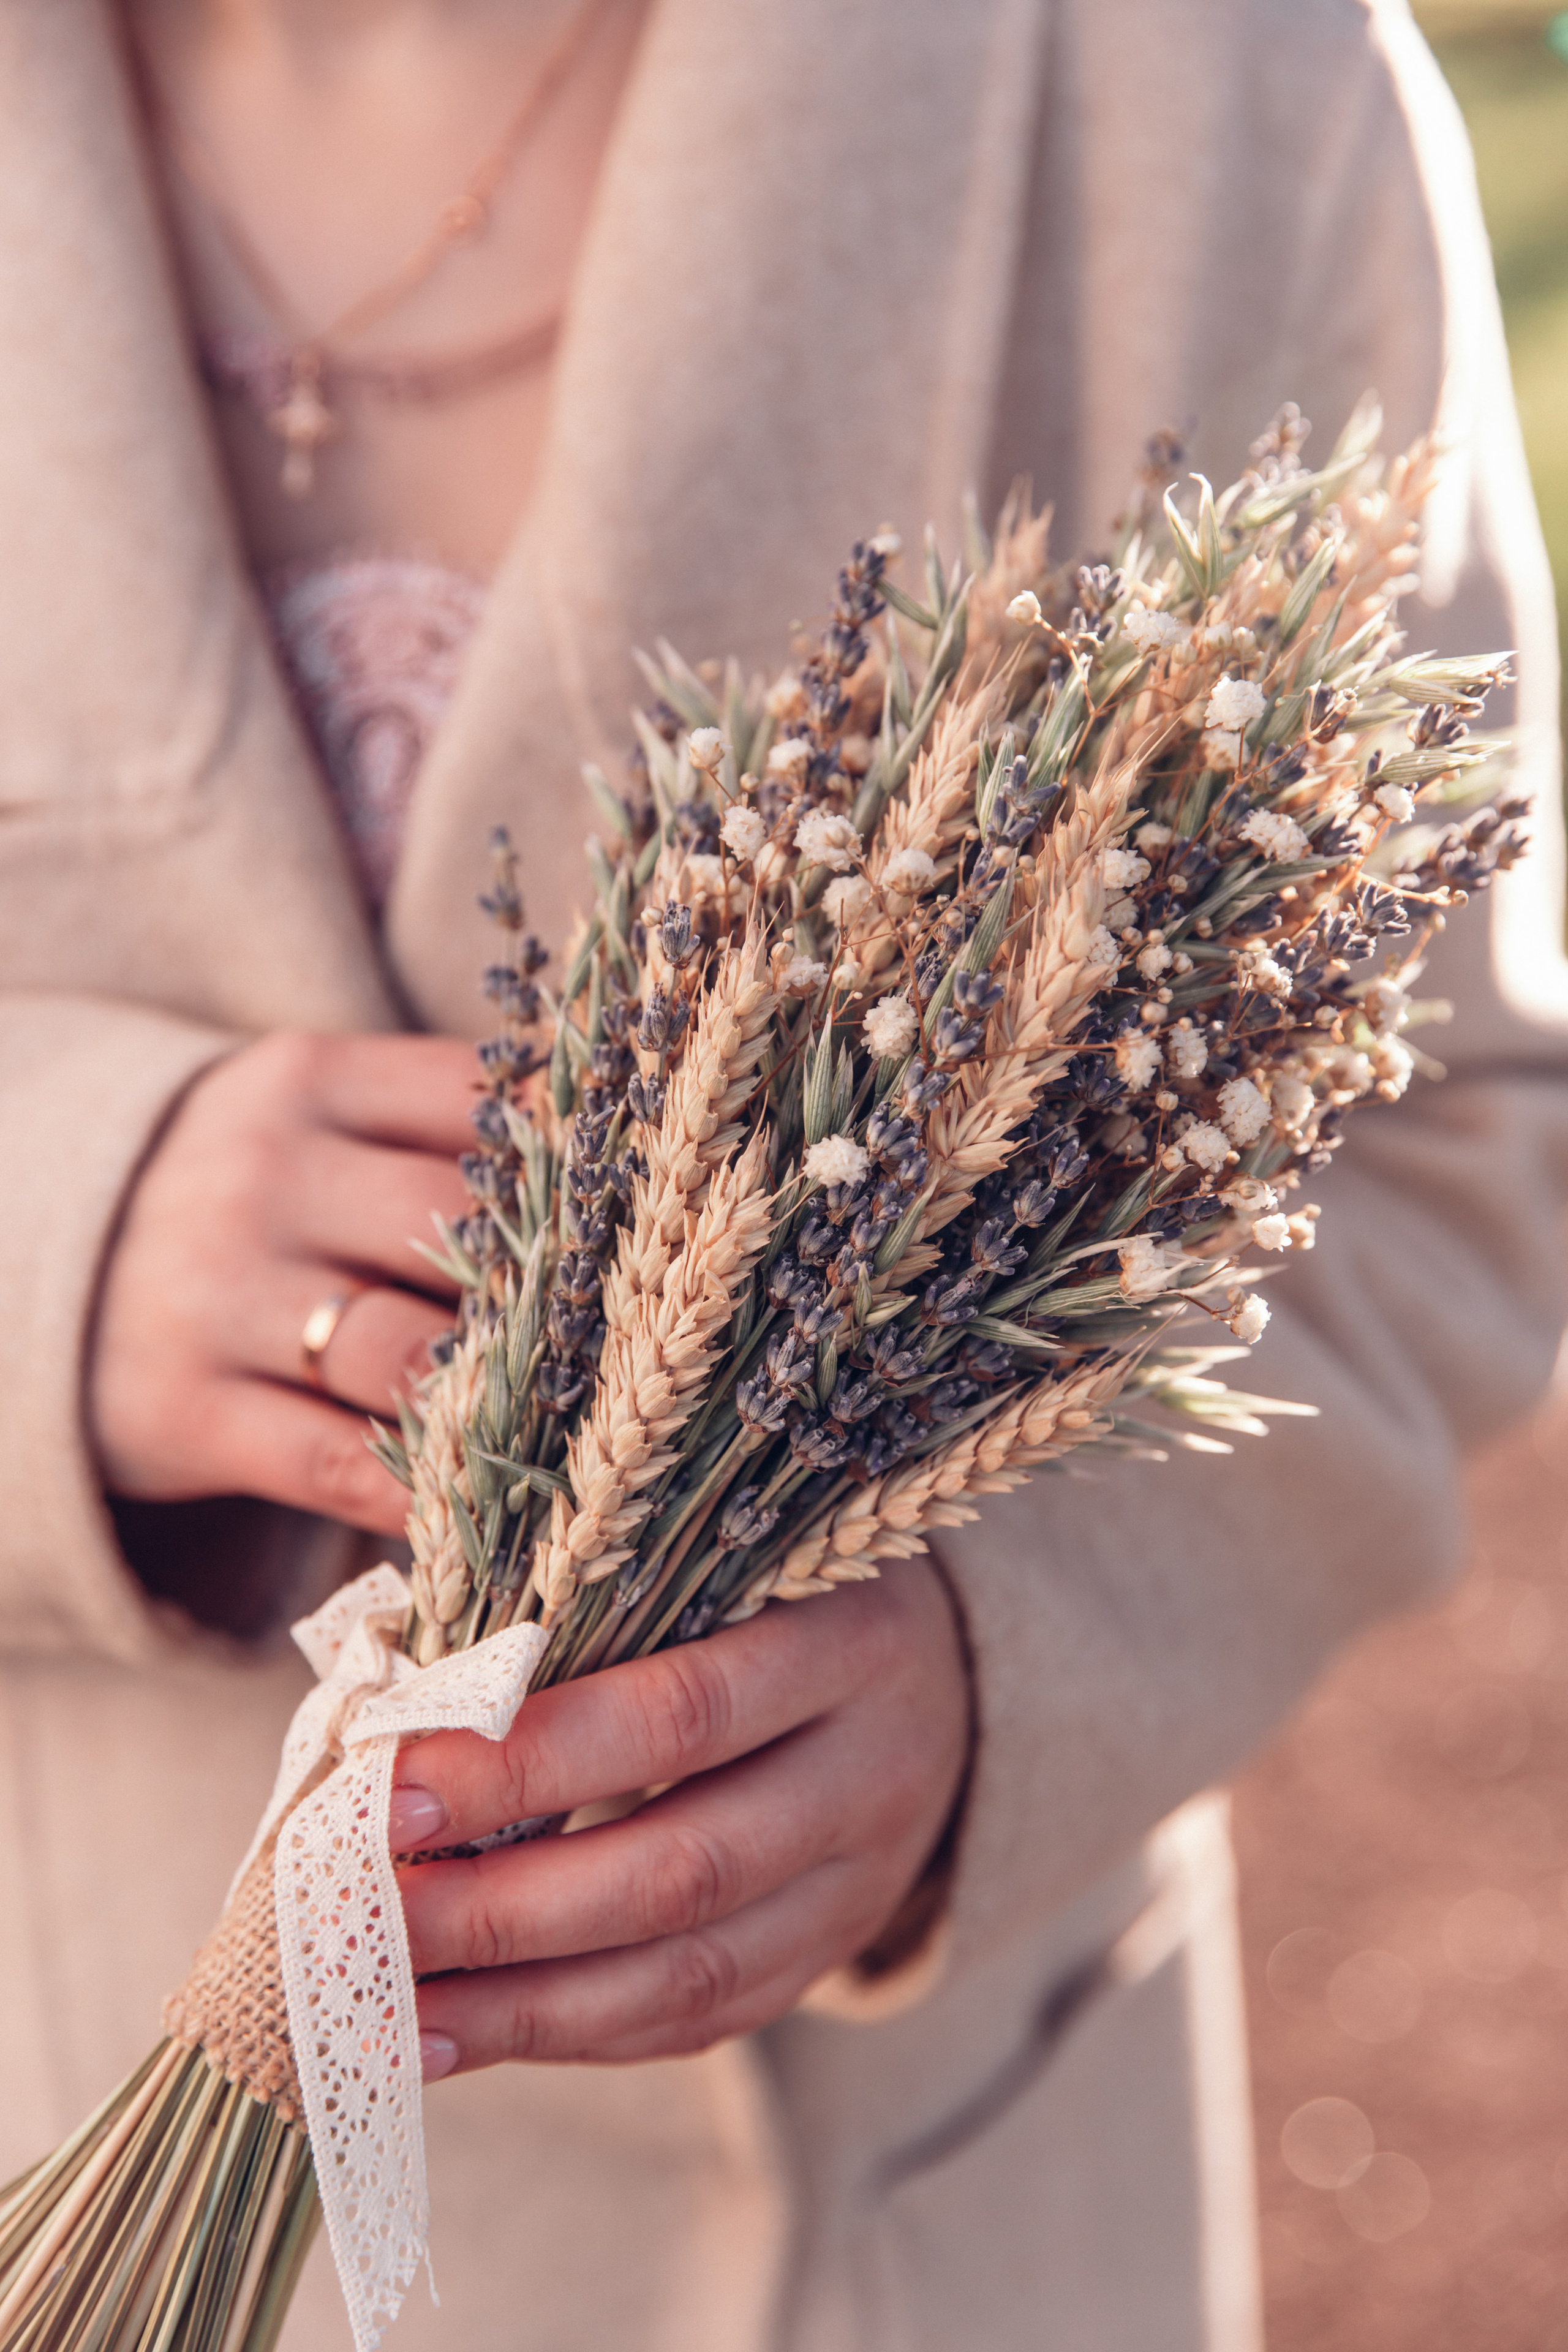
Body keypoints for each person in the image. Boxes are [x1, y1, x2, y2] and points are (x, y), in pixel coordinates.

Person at [0, 2, 1562, 2346]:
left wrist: (989, 1671)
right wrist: (51, 1232)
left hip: (901, 2236)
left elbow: (1453, 1146)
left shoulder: (1206, 80)